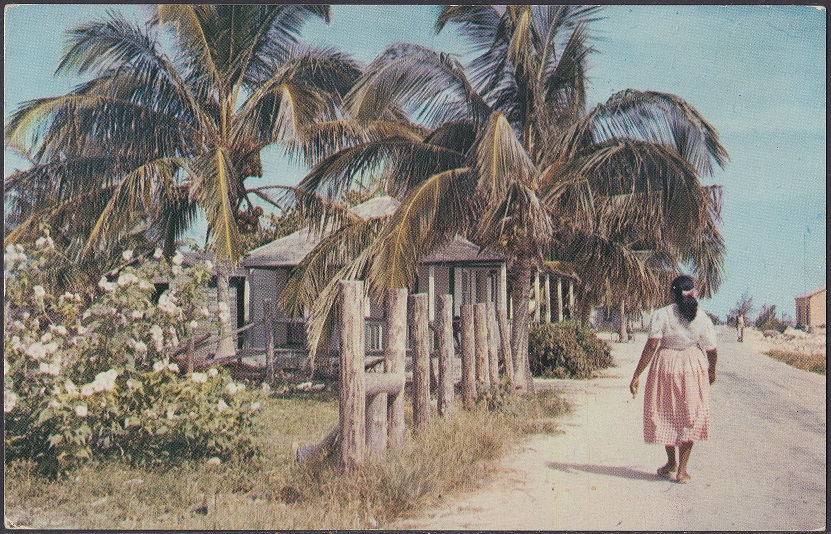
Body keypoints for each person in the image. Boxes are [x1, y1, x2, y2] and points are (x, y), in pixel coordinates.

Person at [629, 275, 718, 484]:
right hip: (692, 366)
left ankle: (671, 463)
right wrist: (712, 371)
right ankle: (682, 470)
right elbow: (712, 349)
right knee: (690, 415)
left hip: (666, 365)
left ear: (672, 294)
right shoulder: (702, 317)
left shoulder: (662, 314)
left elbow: (652, 346)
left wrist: (636, 374)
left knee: (665, 413)